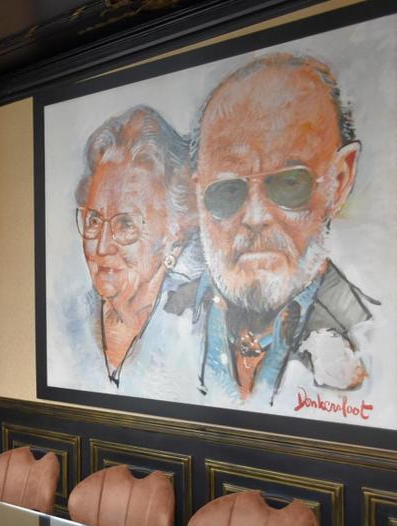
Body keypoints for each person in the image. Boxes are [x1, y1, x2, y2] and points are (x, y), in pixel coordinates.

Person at [151, 53, 377, 406]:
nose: (255, 216)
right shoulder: (160, 318)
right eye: (228, 190)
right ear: (198, 195)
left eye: (289, 183)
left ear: (340, 180)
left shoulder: (374, 341)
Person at [75, 106, 199, 385]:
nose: (102, 247)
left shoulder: (194, 328)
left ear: (174, 234)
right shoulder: (69, 318)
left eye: (126, 224)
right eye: (93, 220)